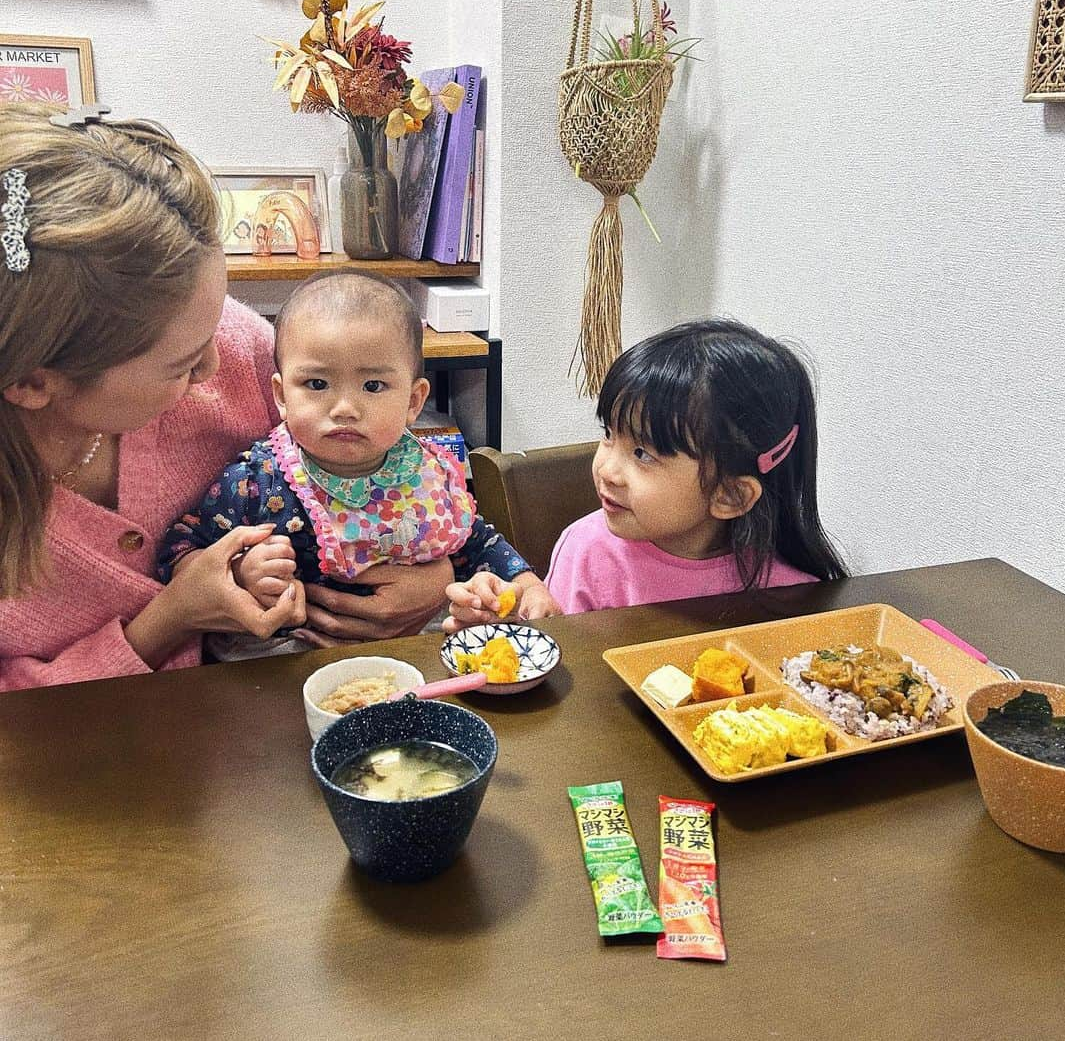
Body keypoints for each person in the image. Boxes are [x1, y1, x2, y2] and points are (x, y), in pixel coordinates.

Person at [0, 104, 455, 691]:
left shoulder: (240, 350)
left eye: (217, 323)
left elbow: (379, 464)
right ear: (33, 382)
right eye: (181, 364)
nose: (219, 364)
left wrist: (435, 574)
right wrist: (168, 621)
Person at [158, 272, 550, 658]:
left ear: (414, 401)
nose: (345, 408)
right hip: (283, 657)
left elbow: (471, 540)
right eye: (316, 384)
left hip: (408, 646)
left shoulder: (425, 473)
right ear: (281, 395)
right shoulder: (254, 479)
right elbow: (180, 549)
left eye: (373, 386)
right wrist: (242, 572)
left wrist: (525, 581)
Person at [445, 318, 848, 626]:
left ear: (731, 496)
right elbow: (558, 660)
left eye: (642, 453)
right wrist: (511, 625)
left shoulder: (790, 593)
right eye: (608, 434)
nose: (607, 469)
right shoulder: (588, 550)